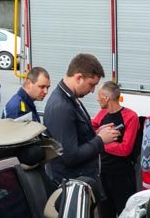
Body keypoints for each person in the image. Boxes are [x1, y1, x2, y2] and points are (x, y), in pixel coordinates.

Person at [45, 53, 120, 186]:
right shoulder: (62, 107)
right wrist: (100, 140)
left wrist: (95, 133)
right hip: (72, 185)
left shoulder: (70, 99)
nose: (92, 91)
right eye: (91, 84)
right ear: (79, 78)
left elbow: (74, 138)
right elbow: (70, 156)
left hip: (80, 181)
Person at [92, 81, 139, 218]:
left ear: (106, 97)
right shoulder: (101, 114)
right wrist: (98, 137)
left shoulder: (130, 116)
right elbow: (89, 130)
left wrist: (100, 143)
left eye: (99, 95)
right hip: (102, 175)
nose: (97, 98)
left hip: (122, 177)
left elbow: (125, 149)